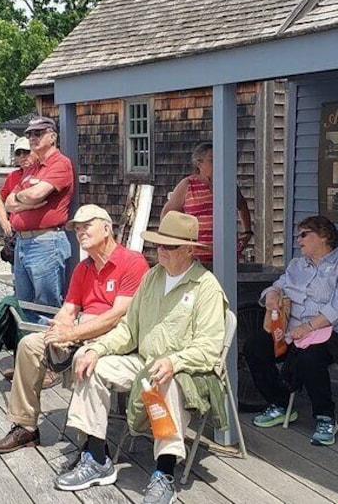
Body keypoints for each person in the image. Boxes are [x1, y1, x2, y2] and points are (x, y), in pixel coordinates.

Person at [56, 211, 226, 503]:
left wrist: (175, 361)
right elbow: (128, 330)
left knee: (165, 380)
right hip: (142, 359)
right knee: (90, 364)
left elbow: (210, 347)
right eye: (159, 244)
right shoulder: (152, 278)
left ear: (188, 249)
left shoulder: (206, 287)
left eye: (169, 246)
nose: (161, 250)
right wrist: (96, 348)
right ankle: (97, 457)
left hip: (187, 369)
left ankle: (165, 473)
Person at [0, 205, 149, 455]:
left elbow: (118, 316)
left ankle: (91, 444)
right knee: (30, 344)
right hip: (82, 330)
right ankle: (25, 426)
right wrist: (59, 328)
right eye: (77, 229)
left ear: (107, 228)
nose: (80, 233)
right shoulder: (83, 268)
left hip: (116, 336)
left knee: (81, 353)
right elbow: (69, 309)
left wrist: (72, 334)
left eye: (86, 227)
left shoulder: (132, 262)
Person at [243, 215, 338, 446]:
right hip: (296, 332)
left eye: (303, 234)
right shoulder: (297, 265)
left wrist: (308, 327)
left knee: (311, 355)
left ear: (323, 236)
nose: (298, 239)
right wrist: (271, 295)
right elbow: (278, 286)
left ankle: (325, 416)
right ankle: (280, 404)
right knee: (255, 346)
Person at [4, 116, 74, 319]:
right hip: (23, 242)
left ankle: (46, 350)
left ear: (52, 137)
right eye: (29, 134)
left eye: (38, 133)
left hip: (46, 242)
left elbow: (36, 194)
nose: (32, 138)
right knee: (23, 304)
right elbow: (8, 202)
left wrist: (25, 199)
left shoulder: (60, 164)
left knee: (47, 306)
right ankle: (28, 348)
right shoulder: (32, 168)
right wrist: (25, 200)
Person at [161, 142, 253, 263]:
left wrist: (247, 232)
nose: (218, 164)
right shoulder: (188, 184)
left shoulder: (227, 184)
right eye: (212, 160)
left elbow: (242, 205)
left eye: (219, 159)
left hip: (227, 256)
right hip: (197, 256)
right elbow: (167, 213)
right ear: (199, 163)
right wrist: (174, 243)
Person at [0, 136, 34, 238]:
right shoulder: (13, 176)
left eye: (26, 152)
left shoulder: (42, 173)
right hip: (15, 232)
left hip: (36, 233)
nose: (22, 156)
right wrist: (3, 221)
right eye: (18, 153)